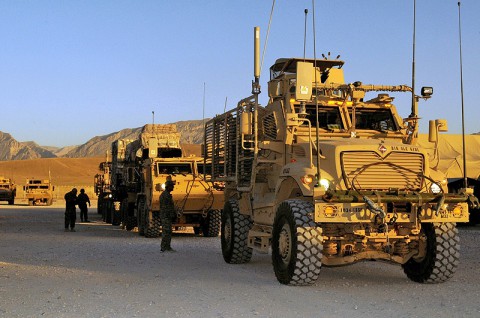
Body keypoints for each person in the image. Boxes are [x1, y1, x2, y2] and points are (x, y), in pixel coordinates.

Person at [159, 178, 176, 252]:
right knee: (166, 232)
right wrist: (172, 214)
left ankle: (167, 246)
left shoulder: (167, 195)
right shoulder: (165, 195)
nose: (173, 187)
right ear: (168, 186)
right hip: (166, 216)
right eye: (172, 186)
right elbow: (167, 207)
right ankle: (164, 247)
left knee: (168, 232)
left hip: (167, 216)